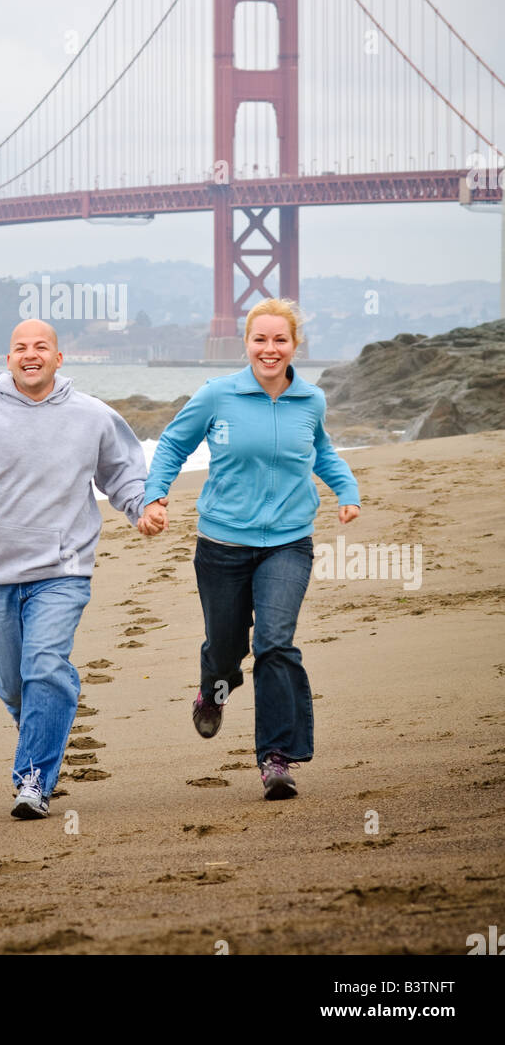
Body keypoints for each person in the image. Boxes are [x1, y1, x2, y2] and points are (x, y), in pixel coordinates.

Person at [0, 319, 147, 819]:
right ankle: (47, 717)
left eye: (42, 347)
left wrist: (142, 508)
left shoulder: (92, 416)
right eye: (20, 347)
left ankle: (33, 780)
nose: (30, 354)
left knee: (45, 666)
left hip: (64, 568)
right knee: (13, 683)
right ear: (8, 358)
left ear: (59, 359)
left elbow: (123, 472)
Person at [138, 297, 360, 801]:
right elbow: (173, 443)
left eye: (280, 339)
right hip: (222, 542)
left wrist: (346, 491)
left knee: (275, 643)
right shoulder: (219, 395)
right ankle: (214, 688)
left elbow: (322, 451)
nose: (270, 348)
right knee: (225, 647)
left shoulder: (311, 400)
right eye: (260, 339)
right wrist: (155, 494)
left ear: (294, 345)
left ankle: (276, 759)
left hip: (288, 542)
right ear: (246, 344)